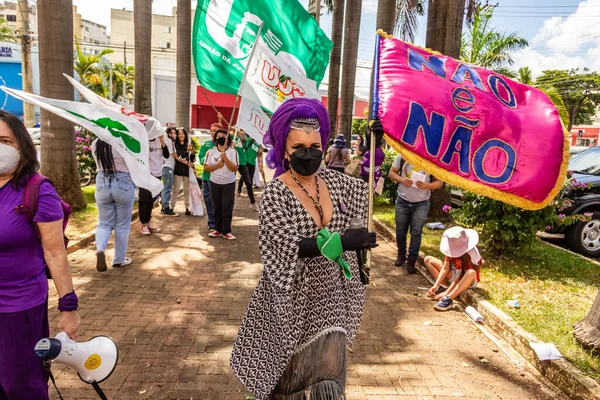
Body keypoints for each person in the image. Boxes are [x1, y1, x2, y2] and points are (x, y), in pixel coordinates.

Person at [230, 98, 378, 400]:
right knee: (287, 382)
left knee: (330, 376)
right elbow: (281, 245)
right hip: (289, 298)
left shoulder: (335, 183)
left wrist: (375, 149)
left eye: (315, 146)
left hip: (330, 297)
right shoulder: (275, 192)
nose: (308, 154)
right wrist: (340, 243)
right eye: (298, 147)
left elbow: (367, 187)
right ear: (283, 149)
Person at [0, 111, 81, 399]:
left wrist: (68, 308)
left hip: (18, 308)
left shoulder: (37, 189)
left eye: (5, 140)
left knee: (20, 386)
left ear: (21, 145)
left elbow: (56, 253)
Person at [388, 153, 444, 273]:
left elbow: (440, 182)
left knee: (416, 233)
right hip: (402, 200)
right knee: (400, 231)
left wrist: (427, 185)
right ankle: (401, 255)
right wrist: (402, 180)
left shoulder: (430, 159)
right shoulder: (402, 155)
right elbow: (391, 172)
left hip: (421, 203)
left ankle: (412, 261)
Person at [92, 138, 136, 270]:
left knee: (104, 223)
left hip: (102, 181)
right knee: (122, 225)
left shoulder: (95, 143)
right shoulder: (123, 142)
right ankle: (119, 259)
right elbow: (132, 164)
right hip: (122, 181)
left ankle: (101, 249)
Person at [424, 226, 483, 311]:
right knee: (428, 259)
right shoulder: (450, 248)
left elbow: (460, 277)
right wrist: (436, 285)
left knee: (470, 272)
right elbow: (445, 267)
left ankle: (448, 299)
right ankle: (442, 287)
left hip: (468, 279)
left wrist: (447, 293)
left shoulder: (471, 254)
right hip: (456, 273)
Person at [204, 129, 239, 240]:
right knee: (216, 206)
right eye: (218, 136)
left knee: (227, 207)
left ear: (227, 138)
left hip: (228, 183)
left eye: (223, 135)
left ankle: (226, 231)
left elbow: (235, 168)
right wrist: (217, 166)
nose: (220, 137)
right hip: (214, 183)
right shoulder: (211, 152)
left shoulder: (233, 152)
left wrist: (225, 158)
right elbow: (206, 168)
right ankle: (217, 229)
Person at [198, 121, 222, 231]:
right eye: (211, 131)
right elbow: (202, 159)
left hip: (219, 178)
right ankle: (211, 222)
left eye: (215, 131)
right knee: (208, 200)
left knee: (217, 201)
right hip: (207, 177)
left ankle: (219, 222)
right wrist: (209, 160)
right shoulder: (206, 145)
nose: (212, 133)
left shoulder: (224, 145)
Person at [139, 136, 163, 235]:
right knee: (144, 199)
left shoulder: (160, 141)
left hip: (157, 174)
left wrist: (163, 142)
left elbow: (166, 155)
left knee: (151, 200)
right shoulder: (143, 140)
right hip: (146, 174)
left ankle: (148, 223)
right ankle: (143, 225)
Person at [170, 128, 195, 216]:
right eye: (179, 134)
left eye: (183, 134)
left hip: (187, 171)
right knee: (176, 190)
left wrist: (192, 152)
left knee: (186, 190)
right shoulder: (175, 145)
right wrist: (187, 152)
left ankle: (187, 208)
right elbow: (180, 157)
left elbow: (191, 159)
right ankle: (171, 207)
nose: (181, 135)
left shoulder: (187, 145)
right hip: (178, 170)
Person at [235, 129, 257, 210]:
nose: (242, 134)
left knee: (248, 182)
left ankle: (253, 202)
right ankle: (232, 199)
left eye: (243, 133)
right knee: (230, 182)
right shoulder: (232, 139)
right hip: (233, 163)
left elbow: (244, 139)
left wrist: (237, 131)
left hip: (242, 163)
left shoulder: (243, 140)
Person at [161, 127, 178, 216]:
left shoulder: (166, 141)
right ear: (168, 133)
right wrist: (182, 160)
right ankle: (166, 208)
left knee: (166, 187)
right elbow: (174, 154)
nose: (173, 135)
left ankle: (164, 206)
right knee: (167, 188)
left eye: (175, 133)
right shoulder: (169, 141)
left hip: (165, 167)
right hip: (168, 168)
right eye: (171, 133)